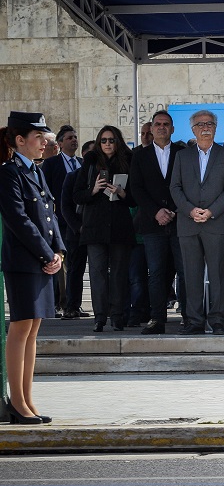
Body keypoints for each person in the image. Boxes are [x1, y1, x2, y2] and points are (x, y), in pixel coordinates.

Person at [0, 111, 64, 425]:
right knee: (21, 327)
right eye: (37, 137)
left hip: (42, 259)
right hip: (24, 261)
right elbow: (19, 220)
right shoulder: (9, 173)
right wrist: (45, 253)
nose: (44, 142)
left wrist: (59, 251)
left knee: (33, 330)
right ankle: (17, 402)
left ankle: (27, 399)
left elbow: (50, 214)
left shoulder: (35, 171)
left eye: (44, 136)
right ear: (19, 140)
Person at [170, 109, 224, 335]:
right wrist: (190, 211)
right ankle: (194, 320)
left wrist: (210, 211)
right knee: (191, 274)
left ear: (216, 127)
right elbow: (175, 188)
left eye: (209, 123)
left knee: (218, 274)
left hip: (216, 222)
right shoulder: (182, 156)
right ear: (193, 129)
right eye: (200, 124)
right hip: (188, 224)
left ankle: (218, 320)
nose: (205, 127)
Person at [73, 125, 136, 332]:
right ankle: (99, 317)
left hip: (119, 226)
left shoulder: (128, 161)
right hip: (95, 227)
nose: (108, 144)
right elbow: (77, 195)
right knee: (98, 273)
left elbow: (136, 198)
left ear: (118, 142)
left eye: (111, 140)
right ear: (99, 143)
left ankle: (117, 316)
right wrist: (93, 190)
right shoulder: (90, 162)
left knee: (118, 273)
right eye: (104, 140)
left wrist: (122, 192)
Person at [129, 110, 186, 335]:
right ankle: (157, 319)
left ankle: (189, 318)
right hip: (152, 224)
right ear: (151, 129)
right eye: (158, 124)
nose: (162, 127)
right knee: (156, 273)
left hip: (180, 221)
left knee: (184, 271)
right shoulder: (140, 156)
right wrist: (156, 211)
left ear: (172, 129)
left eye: (166, 124)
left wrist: (173, 210)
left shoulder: (183, 153)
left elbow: (187, 185)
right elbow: (136, 188)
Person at [41, 125, 81, 316]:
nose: (74, 140)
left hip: (82, 222)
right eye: (69, 138)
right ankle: (61, 302)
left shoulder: (82, 163)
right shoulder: (51, 164)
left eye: (75, 137)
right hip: (60, 222)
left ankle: (74, 304)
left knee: (77, 264)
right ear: (60, 143)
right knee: (64, 264)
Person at [59, 140, 95, 320]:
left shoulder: (103, 176)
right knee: (75, 270)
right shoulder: (73, 177)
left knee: (103, 270)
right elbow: (65, 206)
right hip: (77, 232)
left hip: (98, 231)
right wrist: (77, 227)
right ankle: (71, 306)